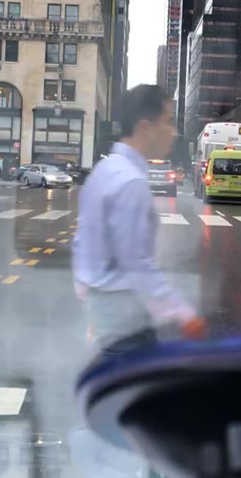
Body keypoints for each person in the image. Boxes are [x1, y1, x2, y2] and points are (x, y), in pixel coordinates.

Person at [73, 85, 206, 357]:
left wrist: (89, 294)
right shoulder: (130, 182)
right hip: (127, 318)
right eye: (167, 121)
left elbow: (81, 241)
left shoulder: (105, 170)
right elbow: (135, 263)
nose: (174, 132)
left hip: (107, 311)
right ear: (145, 128)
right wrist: (182, 314)